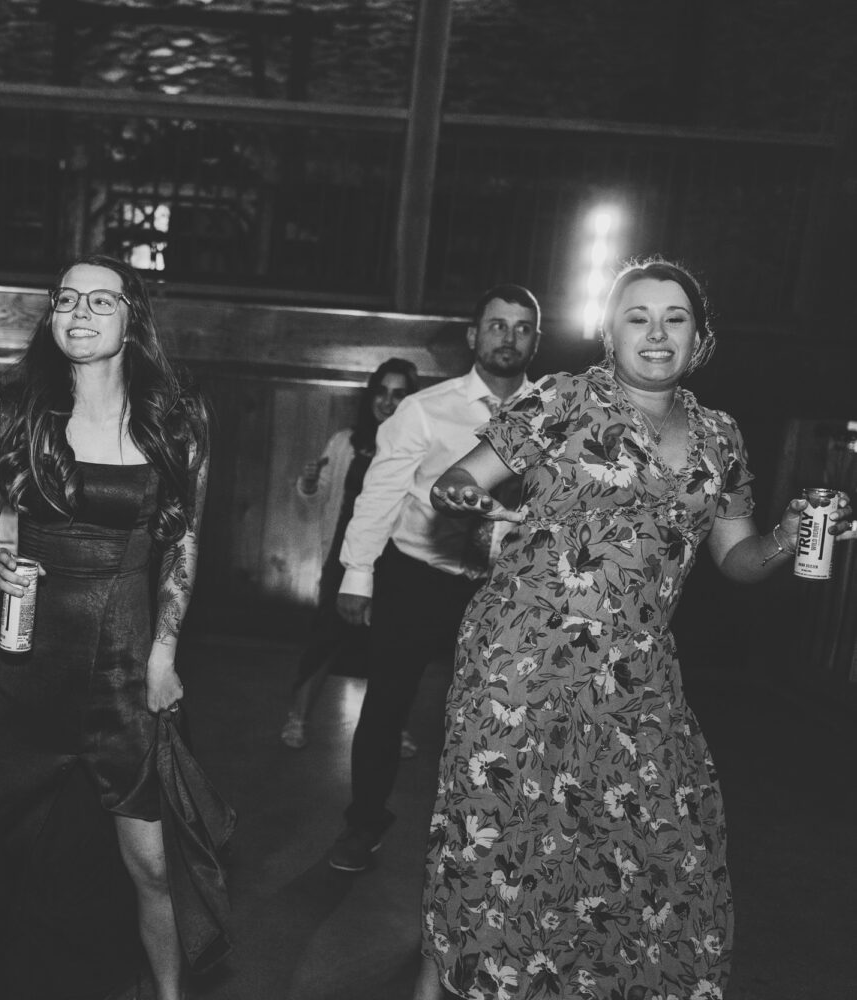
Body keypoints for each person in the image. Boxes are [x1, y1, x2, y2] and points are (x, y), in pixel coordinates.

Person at [416, 258, 854, 999]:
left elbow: (737, 559)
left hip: (637, 677)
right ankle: (449, 981)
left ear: (700, 338)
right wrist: (462, 494)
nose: (657, 333)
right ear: (607, 332)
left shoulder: (720, 436)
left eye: (675, 318)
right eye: (638, 317)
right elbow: (458, 479)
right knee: (496, 855)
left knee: (667, 853)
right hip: (519, 667)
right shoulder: (557, 401)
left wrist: (787, 537)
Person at [0, 254, 232, 1000]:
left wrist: (164, 652)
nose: (79, 312)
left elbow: (183, 547)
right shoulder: (17, 410)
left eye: (101, 301)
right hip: (23, 657)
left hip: (125, 658)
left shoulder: (178, 420)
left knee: (152, 861)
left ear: (133, 320)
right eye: (66, 299)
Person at [327, 284, 543, 873]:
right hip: (418, 578)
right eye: (497, 325)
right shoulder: (426, 409)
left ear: (536, 340)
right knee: (386, 706)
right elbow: (381, 494)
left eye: (523, 327)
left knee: (498, 718)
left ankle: (487, 842)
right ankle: (362, 824)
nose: (509, 336)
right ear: (474, 337)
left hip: (504, 591)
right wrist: (357, 574)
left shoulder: (552, 416)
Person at [281, 358, 420, 750]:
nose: (388, 402)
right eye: (382, 392)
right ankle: (297, 718)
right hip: (343, 559)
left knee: (395, 651)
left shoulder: (417, 447)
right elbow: (318, 496)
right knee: (323, 641)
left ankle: (396, 727)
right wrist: (308, 482)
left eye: (399, 394)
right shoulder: (345, 441)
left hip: (395, 562)